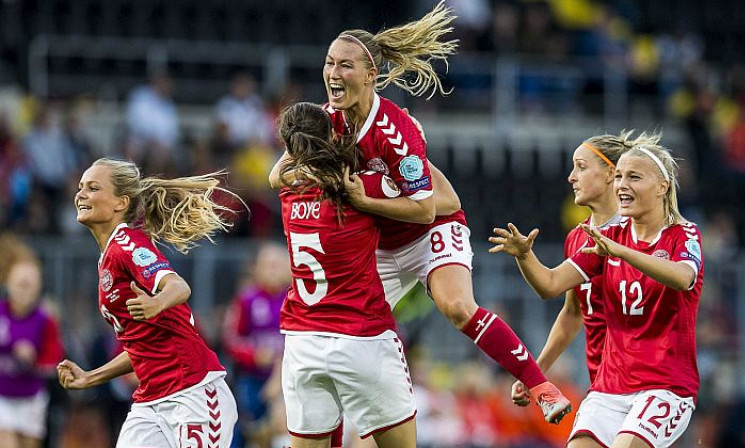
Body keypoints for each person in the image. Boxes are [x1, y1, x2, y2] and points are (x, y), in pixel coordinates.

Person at [270, 0, 571, 424]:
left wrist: (363, 200)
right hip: (378, 244)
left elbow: (431, 208)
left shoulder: (395, 130)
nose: (334, 75)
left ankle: (541, 386)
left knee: (456, 308)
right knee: (331, 336)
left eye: (345, 66)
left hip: (425, 233)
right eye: (329, 63)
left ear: (371, 75)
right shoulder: (324, 121)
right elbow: (275, 177)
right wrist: (314, 178)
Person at [489, 141, 703, 448]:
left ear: (662, 187)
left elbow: (684, 278)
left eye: (634, 178)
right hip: (609, 386)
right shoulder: (601, 239)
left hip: (665, 386)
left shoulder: (683, 234)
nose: (623, 185)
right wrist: (525, 256)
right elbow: (551, 286)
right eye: (621, 177)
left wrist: (621, 251)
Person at [57, 158, 239, 448]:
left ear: (120, 203)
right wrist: (92, 377)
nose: (81, 194)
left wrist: (158, 303)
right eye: (81, 188)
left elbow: (178, 286)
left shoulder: (127, 244)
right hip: (151, 402)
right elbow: (140, 345)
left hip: (192, 392)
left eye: (93, 188)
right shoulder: (108, 256)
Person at [278, 102, 417, 448]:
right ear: (331, 136)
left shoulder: (286, 190)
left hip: (302, 343)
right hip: (361, 336)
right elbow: (430, 203)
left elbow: (284, 168)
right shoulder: (360, 186)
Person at [510, 131, 661, 404]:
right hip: (603, 384)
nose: (571, 177)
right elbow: (572, 313)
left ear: (610, 174)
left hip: (647, 383)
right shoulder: (578, 238)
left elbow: (550, 284)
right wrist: (536, 372)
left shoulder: (640, 231)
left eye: (581, 167)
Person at [223, 242, 291, 448]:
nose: (273, 269)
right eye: (268, 264)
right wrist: (254, 355)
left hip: (290, 376)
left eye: (278, 264)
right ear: (257, 269)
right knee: (246, 426)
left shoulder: (296, 298)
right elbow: (231, 340)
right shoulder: (247, 299)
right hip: (253, 377)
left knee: (285, 421)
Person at [0, 257, 64, 448]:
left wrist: (33, 360)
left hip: (31, 397)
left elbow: (53, 360)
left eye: (29, 285)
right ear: (9, 284)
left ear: (38, 287)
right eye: (20, 284)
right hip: (3, 395)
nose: (23, 290)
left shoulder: (45, 320)